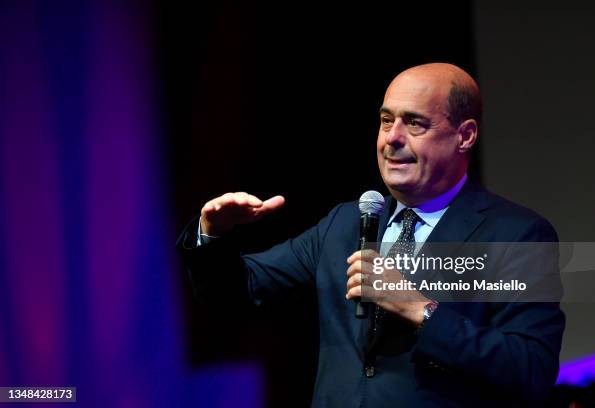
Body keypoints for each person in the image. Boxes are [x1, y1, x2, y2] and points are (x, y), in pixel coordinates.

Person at [177, 63, 565, 407]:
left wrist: (421, 310)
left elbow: (529, 370)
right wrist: (213, 233)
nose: (391, 138)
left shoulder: (516, 235)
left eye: (414, 123)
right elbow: (236, 291)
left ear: (464, 135)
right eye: (385, 120)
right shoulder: (344, 224)